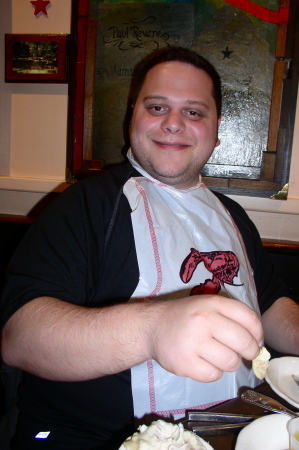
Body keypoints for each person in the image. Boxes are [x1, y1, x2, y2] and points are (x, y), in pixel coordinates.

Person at [0, 46, 298, 450]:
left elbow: (271, 300)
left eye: (194, 112)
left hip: (236, 430)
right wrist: (152, 330)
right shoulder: (85, 206)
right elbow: (20, 338)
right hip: (98, 439)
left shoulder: (232, 215)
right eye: (157, 107)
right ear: (132, 117)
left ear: (215, 131)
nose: (173, 124)